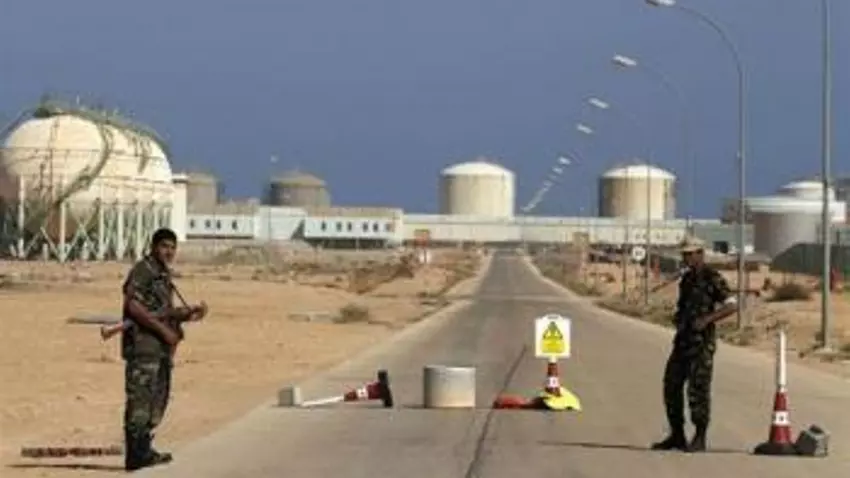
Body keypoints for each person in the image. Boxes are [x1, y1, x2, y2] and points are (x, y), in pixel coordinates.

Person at [121, 227, 207, 471]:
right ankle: (135, 454)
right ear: (153, 247)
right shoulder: (144, 270)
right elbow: (133, 307)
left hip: (160, 348)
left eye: (172, 248)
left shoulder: (162, 274)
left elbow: (163, 311)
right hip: (144, 346)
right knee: (140, 400)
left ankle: (144, 449)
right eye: (164, 246)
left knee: (157, 399)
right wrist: (163, 331)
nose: (169, 252)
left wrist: (187, 314)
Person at [651, 235, 738, 453]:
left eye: (690, 254)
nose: (686, 258)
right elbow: (684, 306)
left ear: (700, 254)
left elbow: (731, 305)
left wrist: (707, 319)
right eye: (684, 254)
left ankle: (700, 437)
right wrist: (678, 318)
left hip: (701, 344)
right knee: (671, 385)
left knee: (698, 390)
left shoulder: (712, 277)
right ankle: (677, 435)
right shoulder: (687, 279)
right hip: (682, 341)